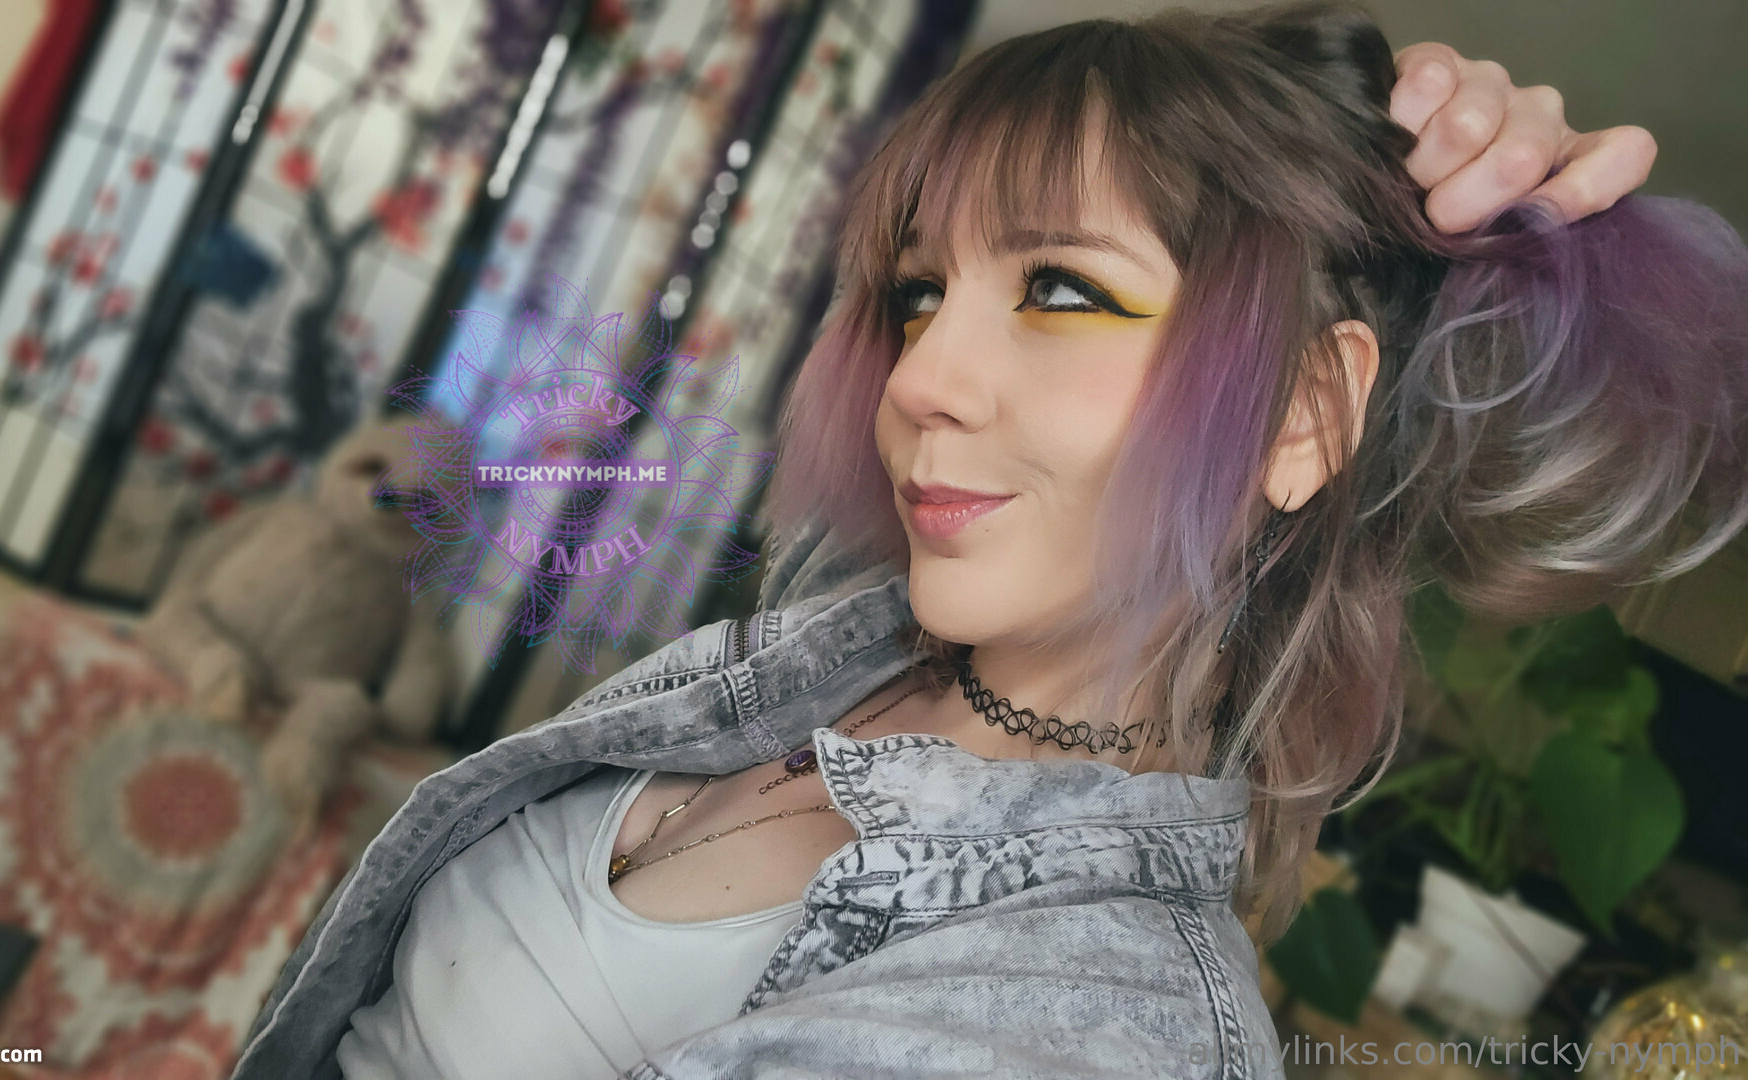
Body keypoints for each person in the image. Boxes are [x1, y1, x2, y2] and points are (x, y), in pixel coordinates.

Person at [229, 3, 1747, 1078]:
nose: (920, 379)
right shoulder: (835, 648)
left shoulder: (1103, 1023)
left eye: (1062, 290)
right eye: (917, 292)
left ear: (1301, 414)